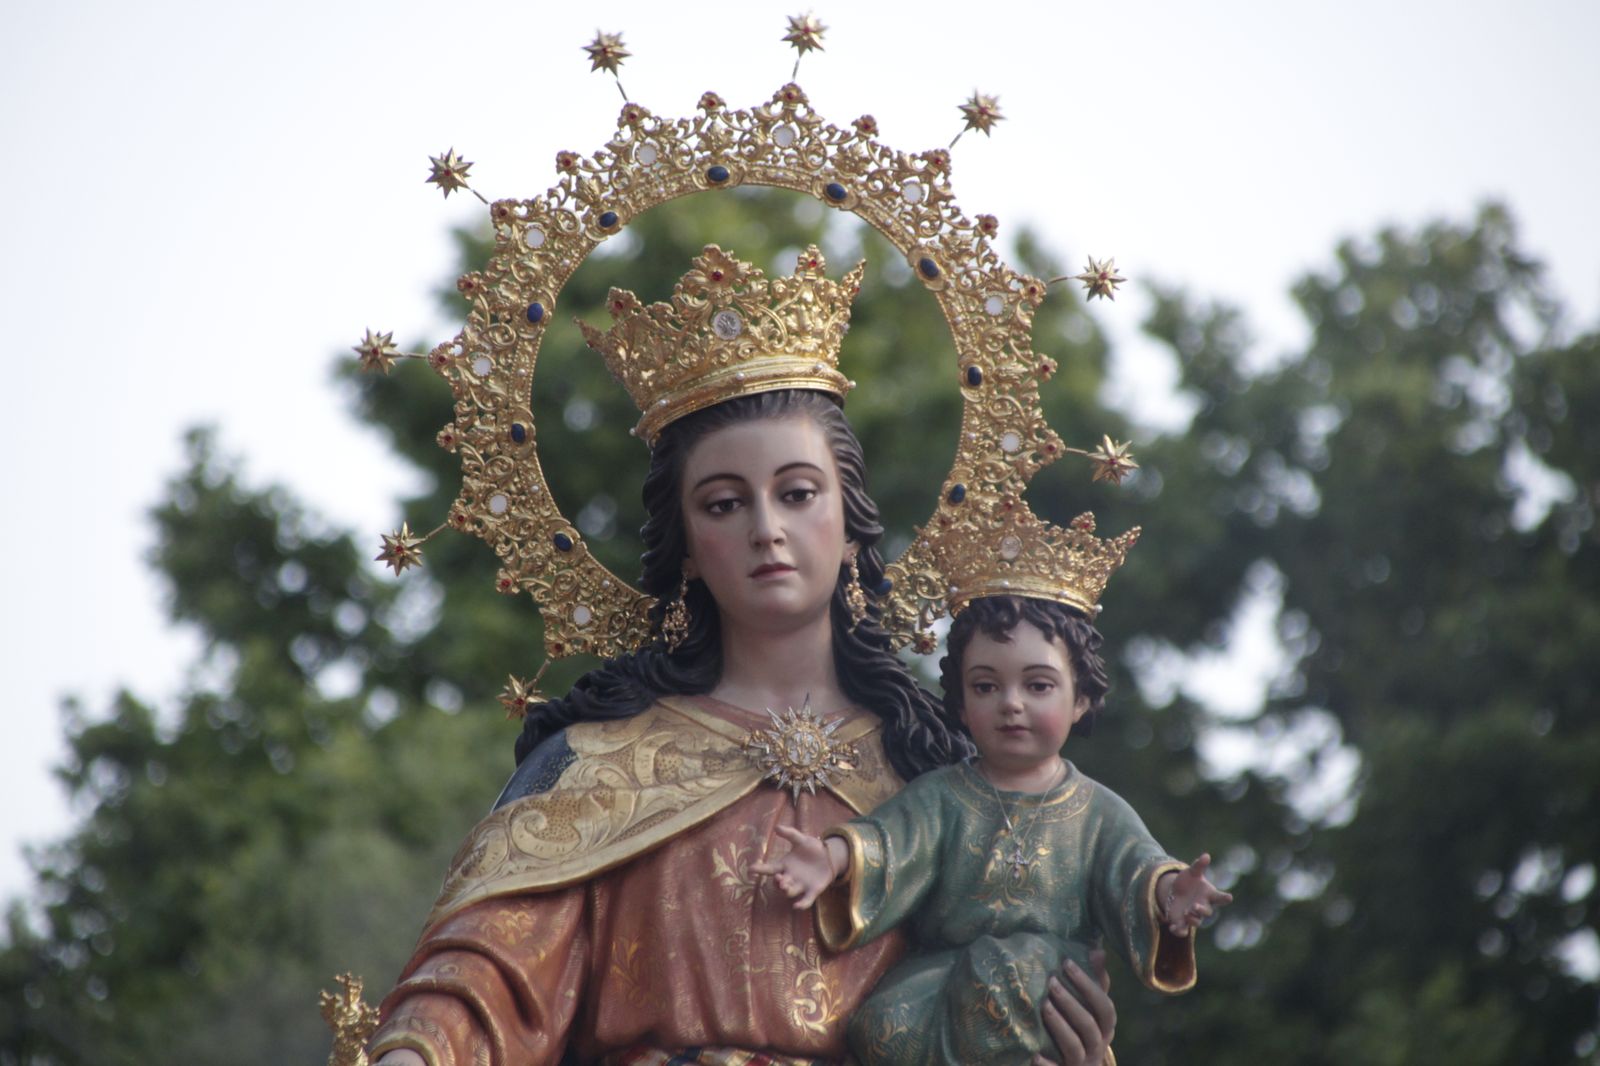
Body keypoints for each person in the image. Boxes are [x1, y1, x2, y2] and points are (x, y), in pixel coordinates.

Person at [366, 248, 1123, 1066]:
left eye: (798, 494)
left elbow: (999, 995)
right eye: (725, 504)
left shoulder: (943, 785)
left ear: (850, 519)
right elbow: (482, 979)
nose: (767, 528)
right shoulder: (600, 766)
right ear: (687, 544)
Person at [752, 512, 1234, 1064]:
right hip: (943, 979)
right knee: (881, 1025)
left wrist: (1173, 893)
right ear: (958, 701)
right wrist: (832, 857)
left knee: (1015, 976)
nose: (1011, 703)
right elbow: (888, 844)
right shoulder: (941, 796)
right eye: (986, 685)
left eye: (1038, 685)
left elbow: (1136, 872)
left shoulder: (1098, 811)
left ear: (1080, 699)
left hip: (1043, 981)